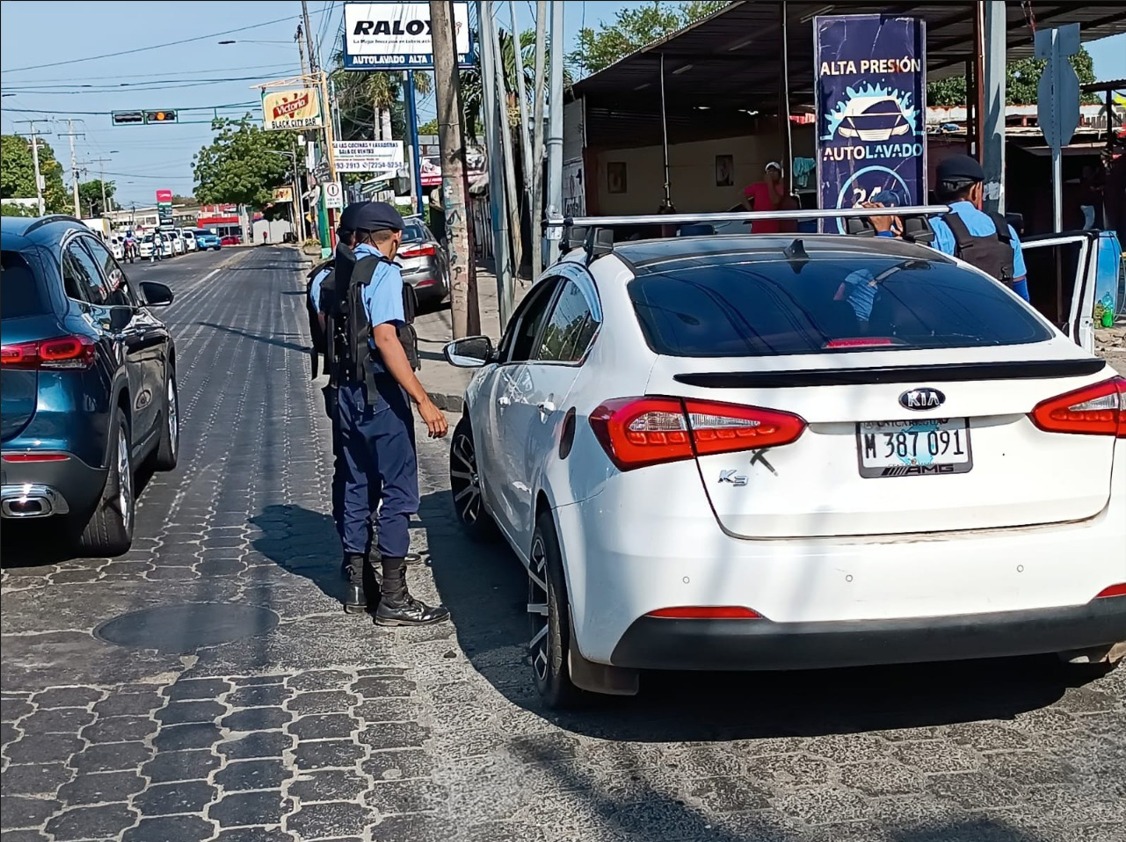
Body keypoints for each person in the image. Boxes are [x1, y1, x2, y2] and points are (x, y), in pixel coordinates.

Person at [334, 201, 445, 625]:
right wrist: (422, 399)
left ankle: (359, 587)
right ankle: (394, 599)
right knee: (399, 493)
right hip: (380, 396)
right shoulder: (382, 273)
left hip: (344, 397)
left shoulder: (327, 275)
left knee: (356, 486)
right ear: (394, 237)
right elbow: (386, 337)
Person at [871, 154, 1030, 302]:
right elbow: (1022, 296)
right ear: (976, 190)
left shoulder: (929, 232)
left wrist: (884, 233)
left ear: (938, 191)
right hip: (1000, 328)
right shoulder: (1005, 231)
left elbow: (895, 284)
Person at [743, 162, 788, 234]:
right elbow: (741, 194)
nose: (772, 173)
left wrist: (770, 183)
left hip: (773, 230)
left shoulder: (780, 187)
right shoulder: (758, 186)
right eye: (769, 171)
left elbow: (775, 201)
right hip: (757, 229)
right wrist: (750, 210)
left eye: (774, 171)